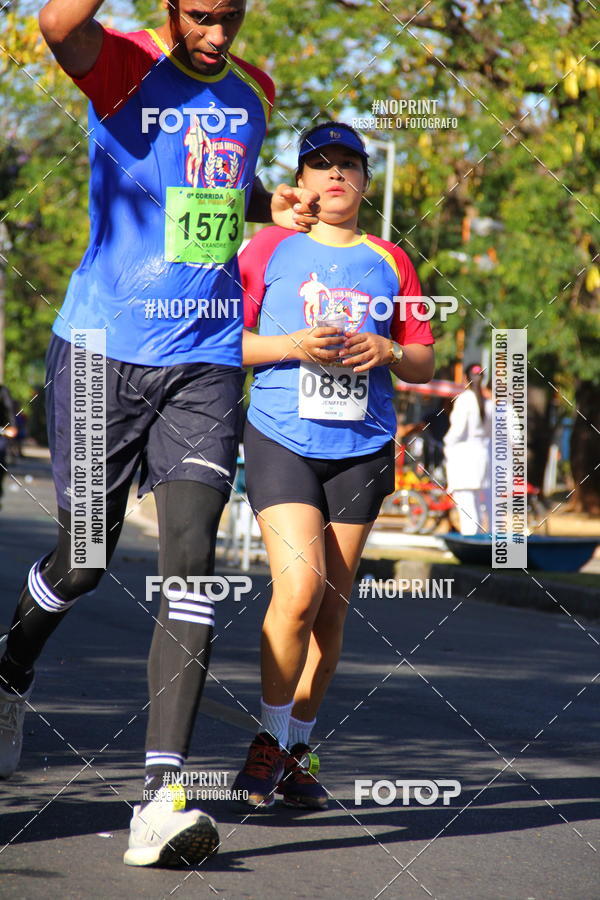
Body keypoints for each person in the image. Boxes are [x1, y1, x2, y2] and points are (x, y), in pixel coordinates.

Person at [0, 0, 319, 868]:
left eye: (232, 17)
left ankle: (161, 799)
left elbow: (210, 184)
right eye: (202, 17)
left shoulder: (254, 91)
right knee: (86, 558)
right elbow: (55, 27)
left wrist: (268, 200)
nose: (217, 35)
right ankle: (11, 667)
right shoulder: (124, 65)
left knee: (192, 566)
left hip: (205, 359)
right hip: (100, 349)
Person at [231, 122, 435, 809]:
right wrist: (292, 345)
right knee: (298, 591)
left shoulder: (390, 260)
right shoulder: (268, 246)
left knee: (331, 609)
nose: (337, 174)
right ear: (302, 181)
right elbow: (222, 341)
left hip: (363, 450)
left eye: (350, 163)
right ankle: (268, 737)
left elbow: (423, 359)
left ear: (367, 182)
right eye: (322, 164)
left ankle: (298, 749)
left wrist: (389, 353)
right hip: (282, 439)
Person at [443, 363, 492, 535]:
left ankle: (470, 542)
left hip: (464, 459)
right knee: (477, 507)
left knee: (467, 509)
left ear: (465, 378)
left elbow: (456, 432)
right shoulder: (489, 404)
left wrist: (446, 443)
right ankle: (477, 539)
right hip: (482, 458)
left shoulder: (464, 400)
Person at [0, 385, 17, 508]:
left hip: (2, 434)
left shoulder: (3, 392)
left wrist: (12, 427)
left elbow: (9, 410)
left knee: (1, 463)